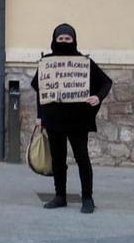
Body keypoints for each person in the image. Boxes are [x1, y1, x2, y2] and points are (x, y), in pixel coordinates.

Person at [31, 23, 112, 214]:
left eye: (68, 39)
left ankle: (87, 198)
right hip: (53, 119)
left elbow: (105, 82)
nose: (64, 42)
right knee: (58, 160)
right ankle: (60, 196)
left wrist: (97, 97)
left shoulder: (83, 62)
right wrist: (39, 116)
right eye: (61, 39)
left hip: (78, 120)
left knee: (82, 158)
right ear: (54, 40)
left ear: (74, 40)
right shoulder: (47, 63)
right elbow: (40, 89)